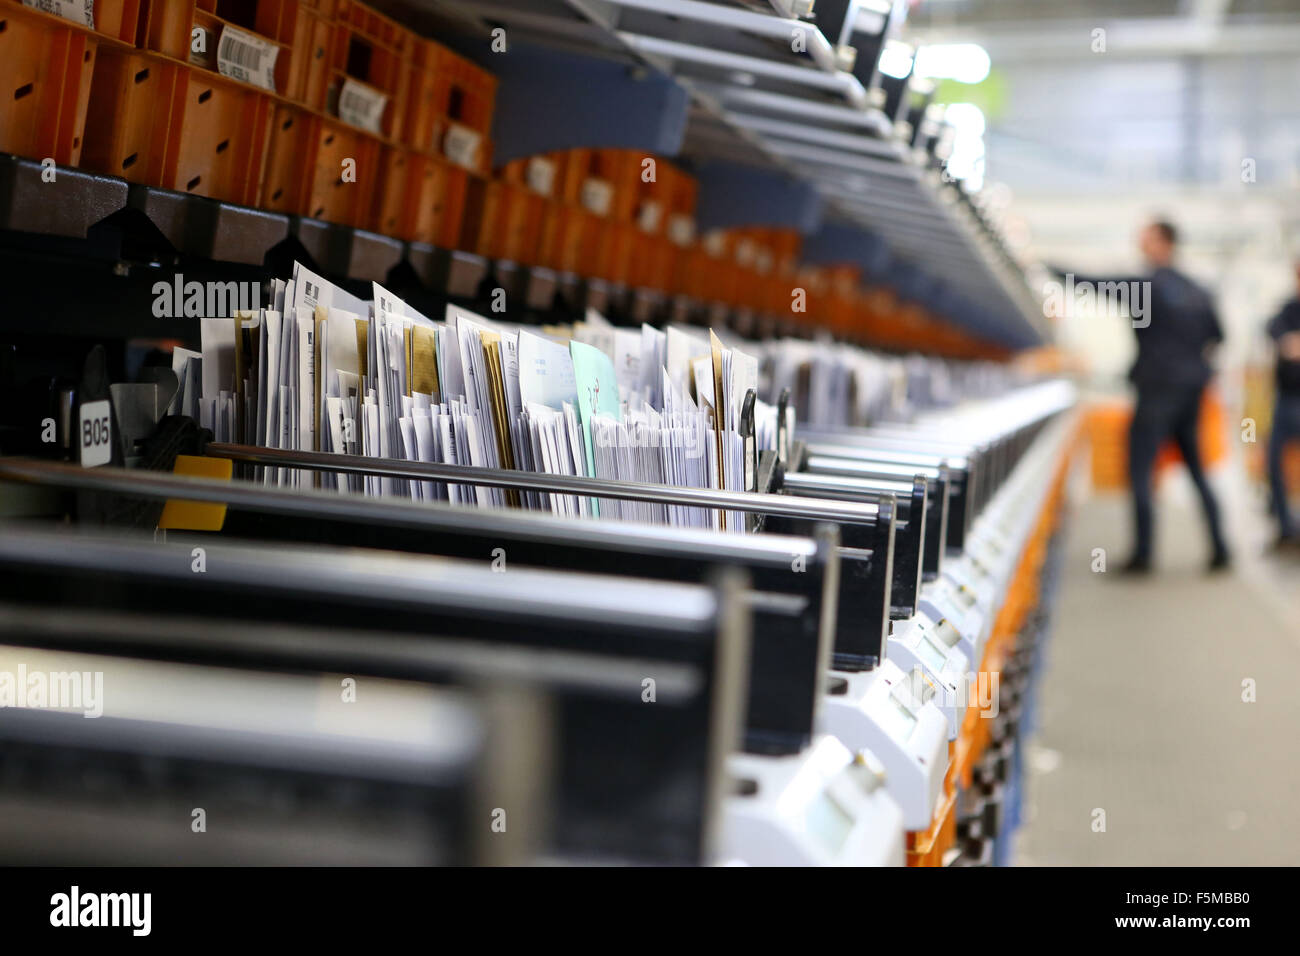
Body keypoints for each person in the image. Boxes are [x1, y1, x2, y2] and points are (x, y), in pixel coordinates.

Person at [1058, 220, 1230, 573]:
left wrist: (1043, 267)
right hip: (1191, 390)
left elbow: (1093, 283)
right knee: (1197, 470)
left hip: (1155, 390)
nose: (1141, 245)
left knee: (1140, 469)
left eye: (1147, 239)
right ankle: (1221, 549)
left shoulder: (1146, 287)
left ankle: (1143, 555)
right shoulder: (1198, 290)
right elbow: (1218, 337)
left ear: (1165, 242)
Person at [1265, 263, 1300, 547]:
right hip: (1286, 399)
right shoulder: (1288, 309)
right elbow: (1276, 333)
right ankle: (1286, 526)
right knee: (1274, 463)